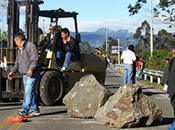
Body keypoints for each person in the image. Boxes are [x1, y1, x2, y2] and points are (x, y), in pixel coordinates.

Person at [8, 33, 41, 118]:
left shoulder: (30, 46)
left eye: (15, 41)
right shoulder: (21, 49)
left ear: (20, 40)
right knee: (31, 92)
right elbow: (18, 61)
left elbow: (35, 59)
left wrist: (31, 69)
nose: (15, 43)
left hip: (32, 73)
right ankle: (35, 110)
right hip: (25, 73)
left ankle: (24, 109)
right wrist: (13, 71)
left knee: (28, 91)